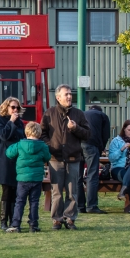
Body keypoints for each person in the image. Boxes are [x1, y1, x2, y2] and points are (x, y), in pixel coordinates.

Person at [40, 84, 90, 230]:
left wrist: (75, 128)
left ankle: (70, 219)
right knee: (56, 191)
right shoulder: (49, 113)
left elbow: (88, 134)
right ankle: (56, 219)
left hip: (73, 158)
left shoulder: (79, 114)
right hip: (55, 158)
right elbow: (42, 133)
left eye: (70, 94)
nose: (69, 96)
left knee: (72, 191)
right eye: (66, 94)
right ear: (58, 97)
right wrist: (50, 146)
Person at [5, 122, 51, 233]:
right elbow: (47, 157)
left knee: (20, 201)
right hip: (36, 178)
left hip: (22, 178)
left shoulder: (20, 145)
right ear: (39, 133)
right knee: (34, 202)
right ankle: (33, 225)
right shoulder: (43, 146)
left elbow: (9, 153)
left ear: (26, 132)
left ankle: (16, 224)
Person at [0, 97, 25, 230]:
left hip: (18, 159)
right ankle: (3, 221)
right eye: (13, 107)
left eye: (17, 108)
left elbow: (22, 136)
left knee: (16, 191)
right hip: (4, 159)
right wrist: (11, 121)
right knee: (6, 190)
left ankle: (14, 221)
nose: (15, 110)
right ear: (6, 107)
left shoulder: (20, 122)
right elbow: (3, 136)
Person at [79, 105, 111, 214]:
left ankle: (80, 206)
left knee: (78, 176)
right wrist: (101, 148)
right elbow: (106, 135)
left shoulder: (81, 114)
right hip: (92, 145)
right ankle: (91, 206)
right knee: (92, 175)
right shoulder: (103, 116)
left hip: (78, 145)